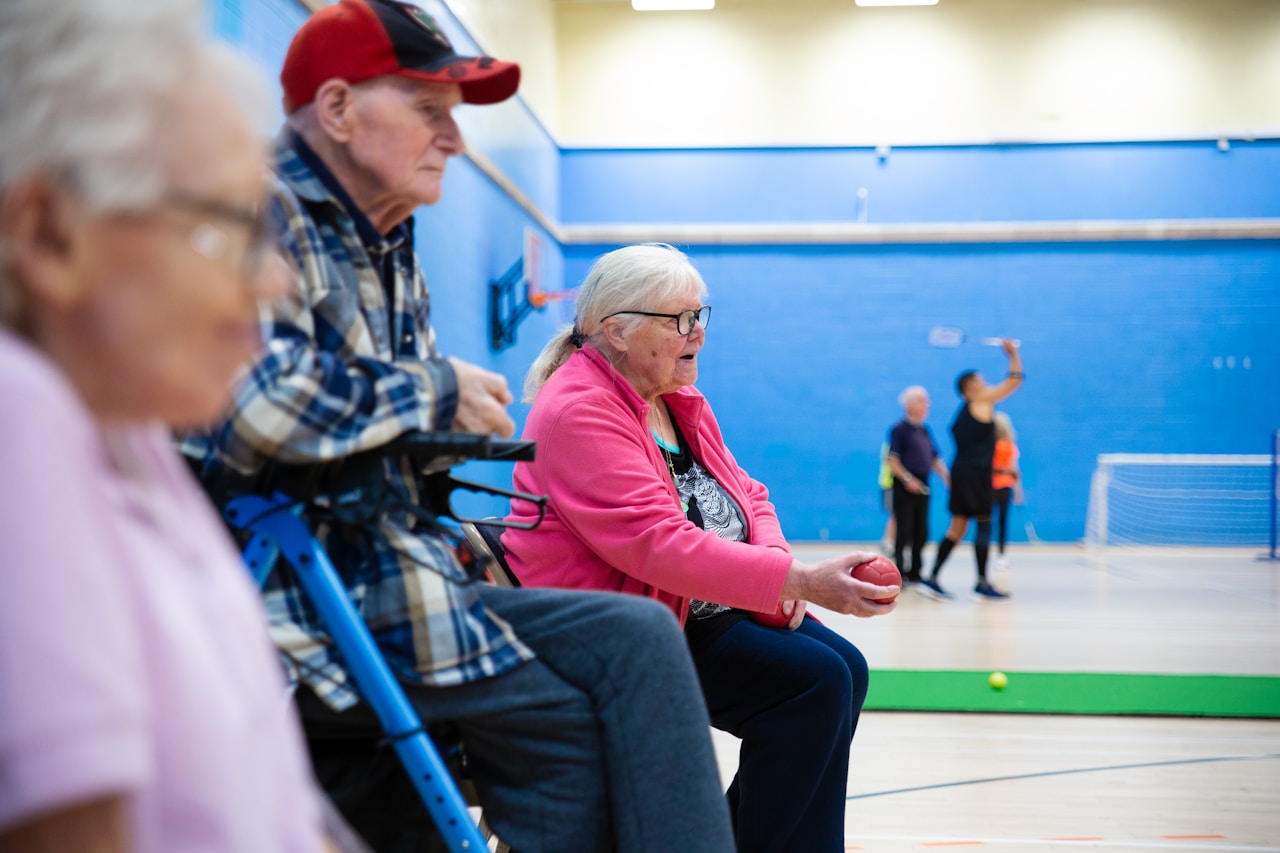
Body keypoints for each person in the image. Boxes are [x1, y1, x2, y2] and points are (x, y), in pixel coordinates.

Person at [185, 3, 735, 851]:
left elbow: (375, 424)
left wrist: (439, 435)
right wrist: (437, 392)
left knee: (638, 640)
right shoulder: (251, 211)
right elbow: (254, 404)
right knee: (582, 707)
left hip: (396, 574)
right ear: (337, 109)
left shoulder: (386, 240)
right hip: (307, 596)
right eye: (428, 110)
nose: (455, 139)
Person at [0, 1, 338, 850]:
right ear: (48, 233)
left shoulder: (129, 432)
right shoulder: (19, 413)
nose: (276, 281)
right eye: (231, 228)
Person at [502, 243, 900, 853]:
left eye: (699, 316)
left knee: (845, 668)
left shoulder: (675, 399)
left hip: (691, 610)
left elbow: (748, 494)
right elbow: (661, 547)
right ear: (617, 331)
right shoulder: (580, 410)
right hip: (620, 630)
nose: (698, 334)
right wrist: (798, 581)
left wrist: (780, 571)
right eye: (680, 320)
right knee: (812, 685)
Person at [917, 341, 1024, 601]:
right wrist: (1012, 353)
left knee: (957, 529)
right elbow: (1014, 381)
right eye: (981, 380)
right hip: (976, 477)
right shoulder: (981, 401)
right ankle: (981, 583)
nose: (986, 383)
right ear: (971, 388)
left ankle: (931, 577)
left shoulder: (964, 412)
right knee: (984, 523)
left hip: (962, 474)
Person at [886, 386, 951, 585]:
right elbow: (892, 460)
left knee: (921, 530)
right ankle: (900, 571)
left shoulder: (924, 430)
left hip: (923, 483)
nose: (927, 405)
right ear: (910, 405)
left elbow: (934, 458)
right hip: (904, 485)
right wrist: (908, 479)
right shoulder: (900, 429)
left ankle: (916, 571)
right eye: (922, 401)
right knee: (903, 530)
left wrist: (947, 477)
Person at [992, 411, 1023, 570]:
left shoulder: (989, 446)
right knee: (1002, 523)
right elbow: (1014, 471)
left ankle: (984, 551)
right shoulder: (1009, 446)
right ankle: (1001, 556)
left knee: (986, 522)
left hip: (989, 486)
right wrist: (1018, 492)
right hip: (1005, 487)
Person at [878, 441, 897, 553]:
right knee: (895, 514)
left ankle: (889, 540)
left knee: (897, 514)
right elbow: (890, 463)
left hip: (891, 485)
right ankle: (888, 541)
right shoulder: (892, 445)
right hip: (890, 485)